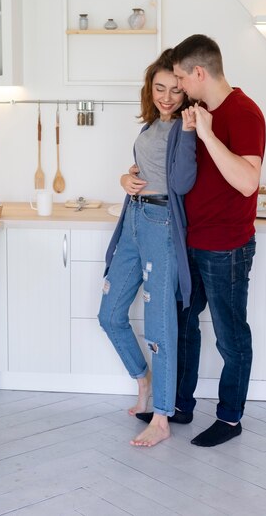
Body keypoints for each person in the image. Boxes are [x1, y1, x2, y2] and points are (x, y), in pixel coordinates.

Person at [136, 34, 266, 447]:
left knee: (230, 335)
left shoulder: (244, 114)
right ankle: (180, 405)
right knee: (183, 326)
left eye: (181, 79)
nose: (177, 90)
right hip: (187, 241)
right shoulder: (197, 110)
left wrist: (208, 135)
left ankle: (230, 418)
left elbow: (247, 183)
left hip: (226, 247)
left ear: (198, 72)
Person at [98, 48, 197, 447]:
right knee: (109, 314)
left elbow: (184, 181)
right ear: (150, 88)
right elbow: (142, 169)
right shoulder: (151, 126)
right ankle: (144, 380)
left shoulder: (184, 128)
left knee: (160, 326)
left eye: (175, 89)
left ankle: (161, 416)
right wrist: (125, 177)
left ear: (186, 90)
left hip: (161, 226)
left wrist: (189, 133)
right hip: (134, 222)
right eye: (160, 88)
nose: (167, 97)